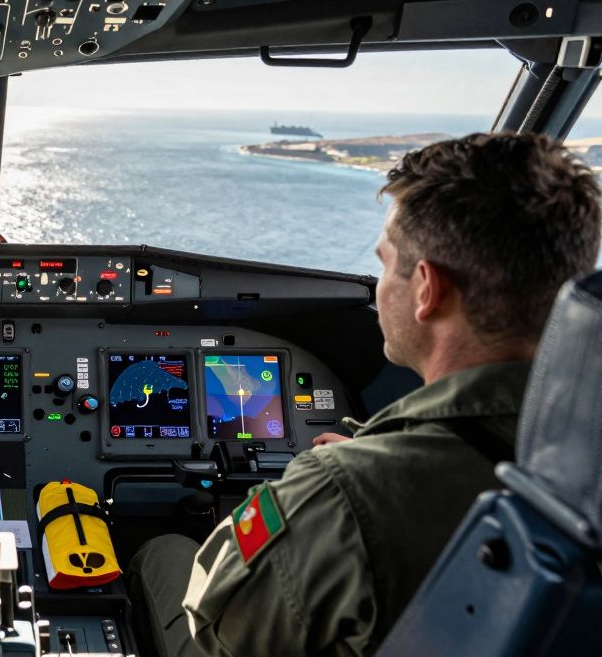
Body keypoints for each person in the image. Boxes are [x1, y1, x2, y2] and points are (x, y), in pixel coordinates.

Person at [126, 132, 602, 656]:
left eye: (384, 263)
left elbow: (219, 633)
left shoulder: (342, 493)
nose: (378, 287)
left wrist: (314, 490)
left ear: (427, 289)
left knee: (164, 551)